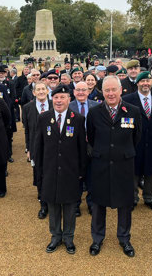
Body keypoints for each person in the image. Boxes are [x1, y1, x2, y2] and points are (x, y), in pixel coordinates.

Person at [86, 76, 142, 257]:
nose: (110, 94)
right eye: (106, 90)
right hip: (100, 163)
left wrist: (122, 151)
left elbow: (136, 137)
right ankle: (97, 238)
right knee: (98, 203)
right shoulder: (94, 112)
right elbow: (92, 137)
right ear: (102, 92)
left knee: (125, 204)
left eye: (113, 90)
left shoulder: (133, 111)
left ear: (120, 90)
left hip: (124, 164)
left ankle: (124, 238)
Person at [34, 84, 86, 255]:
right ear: (52, 99)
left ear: (68, 100)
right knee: (53, 204)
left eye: (62, 97)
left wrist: (81, 171)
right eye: (56, 97)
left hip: (70, 171)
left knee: (70, 206)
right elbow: (38, 146)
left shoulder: (77, 119)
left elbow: (82, 149)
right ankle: (55, 236)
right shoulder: (44, 118)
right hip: (50, 170)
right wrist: (39, 171)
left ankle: (69, 237)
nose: (58, 101)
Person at [123, 71, 152, 211]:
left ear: (151, 82)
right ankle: (133, 198)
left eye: (148, 81)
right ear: (137, 83)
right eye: (142, 81)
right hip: (135, 142)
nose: (145, 83)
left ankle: (149, 198)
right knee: (133, 172)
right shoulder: (128, 99)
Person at [22, 82, 52, 219]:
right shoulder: (27, 108)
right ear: (33, 93)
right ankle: (43, 204)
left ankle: (54, 202)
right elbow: (27, 130)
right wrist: (28, 148)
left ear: (47, 91)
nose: (40, 92)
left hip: (53, 147)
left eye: (43, 89)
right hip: (36, 147)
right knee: (39, 175)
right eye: (38, 89)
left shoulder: (54, 104)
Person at [69, 81, 98, 216]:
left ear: (88, 92)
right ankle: (75, 204)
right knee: (76, 177)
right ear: (74, 92)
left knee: (92, 177)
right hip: (74, 148)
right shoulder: (68, 107)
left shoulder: (97, 106)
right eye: (78, 90)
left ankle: (91, 203)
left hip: (92, 146)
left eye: (84, 90)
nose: (81, 92)